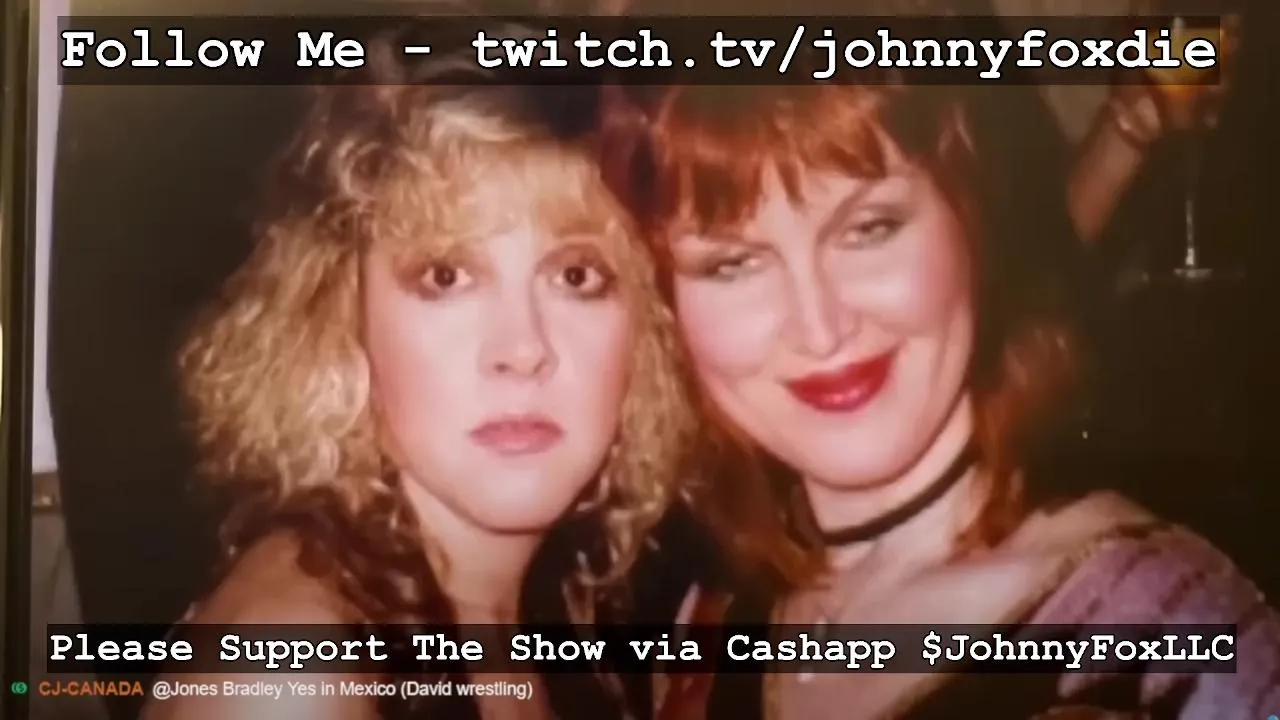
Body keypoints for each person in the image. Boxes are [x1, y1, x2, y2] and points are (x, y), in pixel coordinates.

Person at [596, 73, 1280, 718]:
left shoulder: (1164, 636)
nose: (819, 326)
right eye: (732, 263)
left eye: (870, 228)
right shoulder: (702, 632)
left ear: (971, 221)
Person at [138, 35, 695, 720]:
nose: (523, 349)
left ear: (646, 330)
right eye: (447, 276)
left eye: (576, 276)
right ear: (339, 316)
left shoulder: (561, 605)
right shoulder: (289, 678)